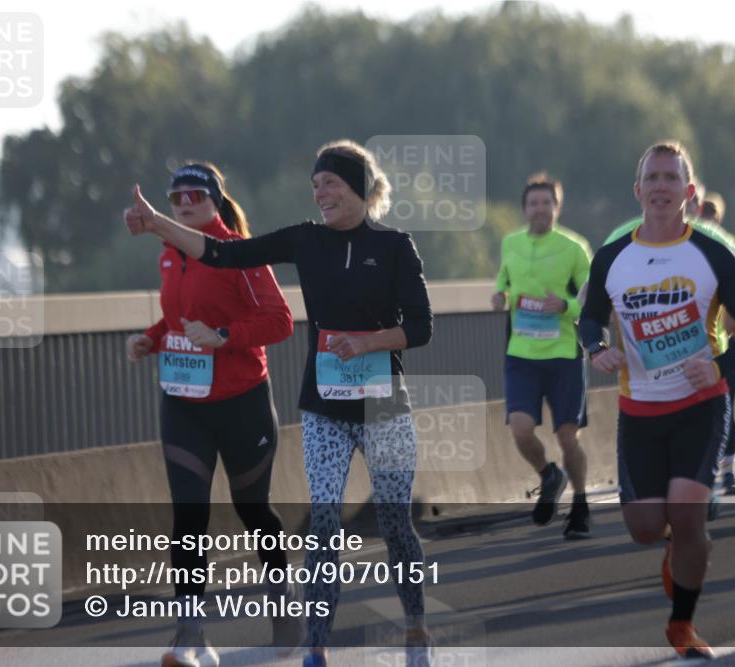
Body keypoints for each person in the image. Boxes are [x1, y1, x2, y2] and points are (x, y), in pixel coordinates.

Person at [125, 140, 434, 667]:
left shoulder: (395, 246)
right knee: (324, 524)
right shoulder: (306, 240)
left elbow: (421, 327)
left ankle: (416, 627)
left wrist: (367, 342)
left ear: (358, 186)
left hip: (382, 404)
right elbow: (222, 252)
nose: (320, 193)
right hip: (323, 408)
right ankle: (315, 648)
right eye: (315, 185)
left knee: (394, 524)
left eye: (330, 183)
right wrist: (157, 225)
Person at [580, 141, 735, 660]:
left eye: (670, 178)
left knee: (688, 517)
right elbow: (589, 318)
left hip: (700, 404)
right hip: (638, 409)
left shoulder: (712, 254)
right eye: (652, 178)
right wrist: (596, 348)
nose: (661, 187)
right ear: (637, 190)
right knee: (645, 528)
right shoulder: (612, 257)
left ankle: (682, 624)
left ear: (688, 192)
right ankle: (675, 547)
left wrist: (719, 366)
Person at [125, 162, 297, 667]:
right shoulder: (170, 255)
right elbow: (178, 319)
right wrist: (151, 338)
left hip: (242, 402)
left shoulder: (240, 253)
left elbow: (281, 321)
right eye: (175, 197)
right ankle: (190, 636)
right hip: (184, 403)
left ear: (215, 201)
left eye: (194, 195)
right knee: (188, 514)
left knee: (253, 511)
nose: (184, 203)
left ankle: (283, 603)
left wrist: (223, 337)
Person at [602, 192, 735, 497]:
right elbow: (598, 285)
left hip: (704, 354)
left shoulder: (705, 233)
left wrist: (732, 308)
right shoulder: (621, 235)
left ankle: (711, 479)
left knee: (706, 421)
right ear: (640, 193)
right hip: (646, 361)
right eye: (653, 185)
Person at [491, 172, 593, 536]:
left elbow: (591, 299)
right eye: (533, 203)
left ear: (557, 207)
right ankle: (549, 475)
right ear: (524, 209)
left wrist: (564, 305)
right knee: (520, 431)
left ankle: (580, 504)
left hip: (563, 355)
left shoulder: (574, 247)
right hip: (521, 354)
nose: (540, 209)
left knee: (568, 438)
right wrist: (500, 295)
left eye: (546, 203)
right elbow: (505, 281)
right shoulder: (511, 243)